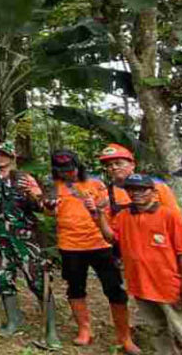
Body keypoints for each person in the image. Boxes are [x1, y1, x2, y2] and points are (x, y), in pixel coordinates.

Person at [44, 149, 133, 350]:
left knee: (114, 289)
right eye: (63, 170)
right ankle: (84, 330)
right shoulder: (54, 186)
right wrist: (49, 206)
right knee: (75, 288)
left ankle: (124, 336)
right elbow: (48, 211)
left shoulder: (96, 183)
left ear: (78, 166)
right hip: (70, 245)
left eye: (71, 168)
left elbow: (112, 206)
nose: (68, 173)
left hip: (100, 243)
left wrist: (98, 205)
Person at [89, 174, 182, 355]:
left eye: (142, 189)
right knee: (157, 329)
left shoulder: (169, 215)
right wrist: (99, 215)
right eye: (131, 189)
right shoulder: (124, 216)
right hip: (141, 285)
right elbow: (111, 238)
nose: (136, 193)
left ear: (153, 192)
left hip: (170, 285)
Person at [0, 141, 59, 348]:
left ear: (12, 157)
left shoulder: (24, 178)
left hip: (25, 238)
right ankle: (14, 321)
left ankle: (51, 331)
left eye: (3, 154)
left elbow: (41, 207)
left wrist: (33, 193)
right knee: (3, 280)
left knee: (38, 281)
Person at [101, 143, 181, 217]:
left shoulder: (156, 185)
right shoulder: (106, 193)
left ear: (132, 165)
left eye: (118, 163)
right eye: (109, 165)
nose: (114, 167)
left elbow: (175, 216)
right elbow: (107, 221)